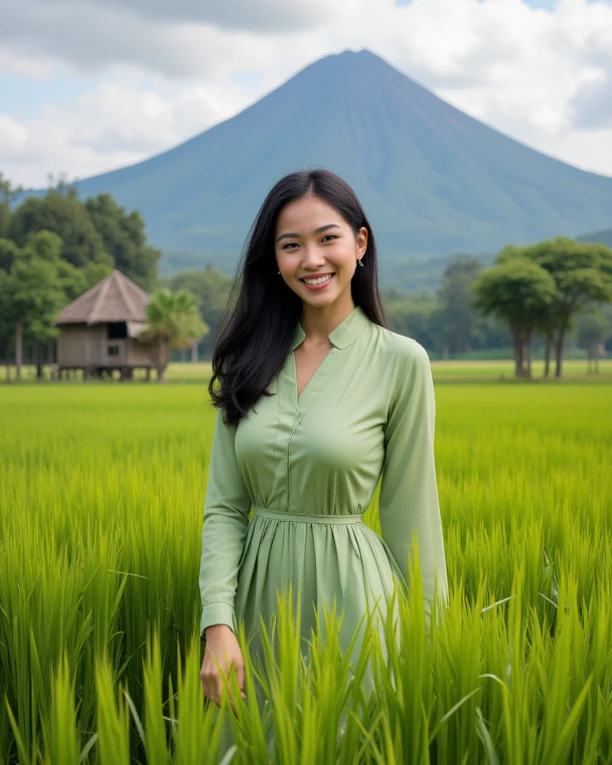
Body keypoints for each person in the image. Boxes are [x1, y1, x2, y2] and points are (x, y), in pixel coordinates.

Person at [198, 168, 448, 716]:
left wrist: (433, 648)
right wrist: (217, 623)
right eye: (292, 245)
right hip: (253, 607)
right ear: (275, 259)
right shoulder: (248, 362)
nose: (311, 259)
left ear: (360, 243)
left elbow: (413, 513)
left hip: (357, 604)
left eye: (328, 238)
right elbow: (223, 508)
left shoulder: (401, 361)